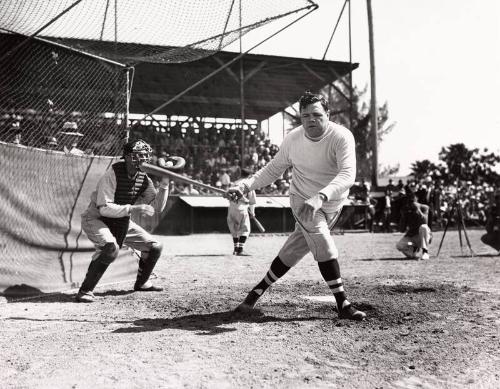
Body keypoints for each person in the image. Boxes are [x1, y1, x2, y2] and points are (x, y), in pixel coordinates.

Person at [225, 91, 366, 321]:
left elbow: (348, 174)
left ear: (328, 114)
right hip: (301, 200)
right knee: (323, 242)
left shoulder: (341, 136)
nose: (311, 120)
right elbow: (272, 169)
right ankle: (343, 303)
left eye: (317, 114)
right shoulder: (293, 139)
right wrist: (245, 185)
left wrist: (321, 196)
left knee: (294, 249)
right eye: (305, 115)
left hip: (330, 203)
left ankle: (254, 294)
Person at [75, 139, 170, 303]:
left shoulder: (143, 178)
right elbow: (104, 208)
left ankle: (142, 283)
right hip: (97, 218)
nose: (142, 160)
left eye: (145, 156)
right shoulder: (112, 173)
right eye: (137, 156)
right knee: (110, 247)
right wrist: (133, 209)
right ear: (127, 157)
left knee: (155, 247)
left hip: (121, 220)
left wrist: (165, 183)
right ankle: (85, 290)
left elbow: (157, 207)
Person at [226, 168, 257, 256]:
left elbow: (228, 196)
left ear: (240, 174)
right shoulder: (248, 185)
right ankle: (240, 249)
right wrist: (253, 212)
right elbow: (252, 202)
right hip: (242, 208)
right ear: (249, 175)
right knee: (245, 230)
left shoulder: (233, 183)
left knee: (234, 229)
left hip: (231, 207)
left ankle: (236, 249)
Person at [396, 189, 432, 260]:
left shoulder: (424, 207)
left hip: (423, 236)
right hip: (412, 236)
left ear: (417, 199)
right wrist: (403, 217)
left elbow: (425, 223)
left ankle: (425, 252)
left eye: (412, 199)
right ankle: (413, 251)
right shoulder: (406, 209)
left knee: (423, 227)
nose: (411, 202)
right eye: (409, 200)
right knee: (399, 245)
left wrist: (418, 210)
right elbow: (402, 229)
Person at [481, 190, 500, 254]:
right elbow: (488, 228)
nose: (497, 200)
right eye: (496, 198)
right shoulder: (494, 209)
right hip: (496, 231)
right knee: (485, 238)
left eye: (498, 198)